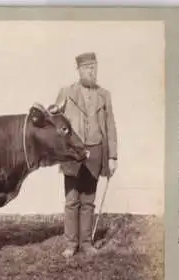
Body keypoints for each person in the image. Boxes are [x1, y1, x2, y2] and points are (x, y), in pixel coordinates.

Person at [54, 52, 118, 257]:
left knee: (88, 200)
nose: (93, 72)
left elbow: (110, 126)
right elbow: (55, 121)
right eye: (89, 68)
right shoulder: (66, 92)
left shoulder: (104, 95)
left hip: (96, 151)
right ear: (80, 70)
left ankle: (86, 243)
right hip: (73, 153)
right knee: (72, 199)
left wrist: (113, 157)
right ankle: (71, 244)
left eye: (95, 67)